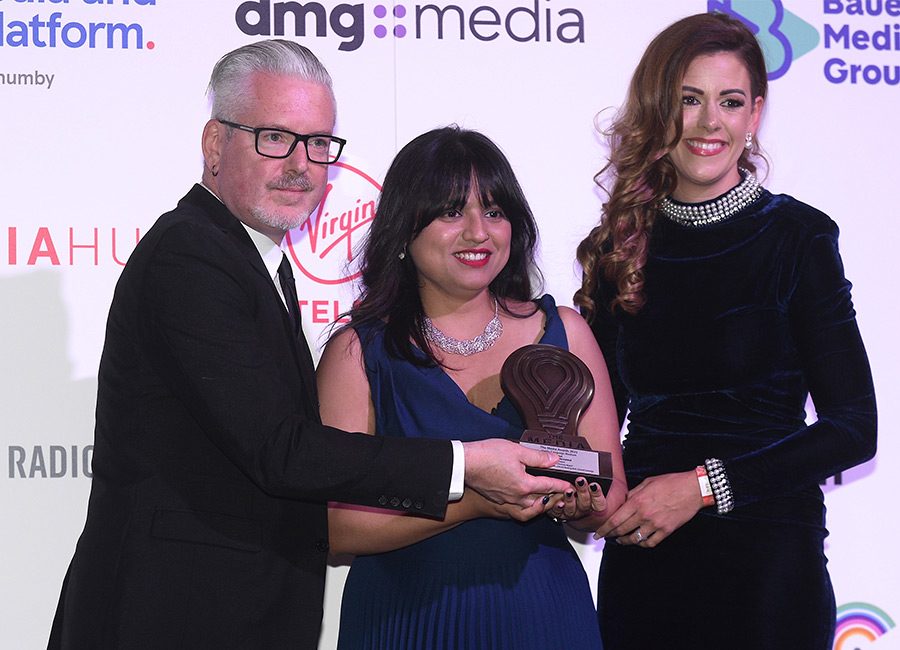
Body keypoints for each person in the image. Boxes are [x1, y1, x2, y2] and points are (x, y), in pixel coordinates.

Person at [47, 41, 572, 650]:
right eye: (276, 137)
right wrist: (469, 464)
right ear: (215, 145)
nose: (302, 164)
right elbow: (282, 451)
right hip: (174, 614)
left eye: (319, 143)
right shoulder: (191, 255)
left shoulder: (256, 261)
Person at [574, 12, 877, 649]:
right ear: (660, 109)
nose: (711, 122)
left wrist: (702, 488)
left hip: (768, 564)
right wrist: (578, 489)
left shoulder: (798, 239)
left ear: (754, 115)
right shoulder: (620, 246)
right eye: (689, 100)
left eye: (730, 102)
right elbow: (598, 422)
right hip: (644, 561)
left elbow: (854, 426)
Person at [316, 126, 627, 649]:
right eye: (451, 211)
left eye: (495, 211)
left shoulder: (566, 332)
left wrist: (581, 505)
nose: (478, 232)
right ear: (404, 227)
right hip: (405, 621)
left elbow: (609, 492)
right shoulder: (357, 353)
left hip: (542, 615)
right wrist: (478, 501)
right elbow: (335, 526)